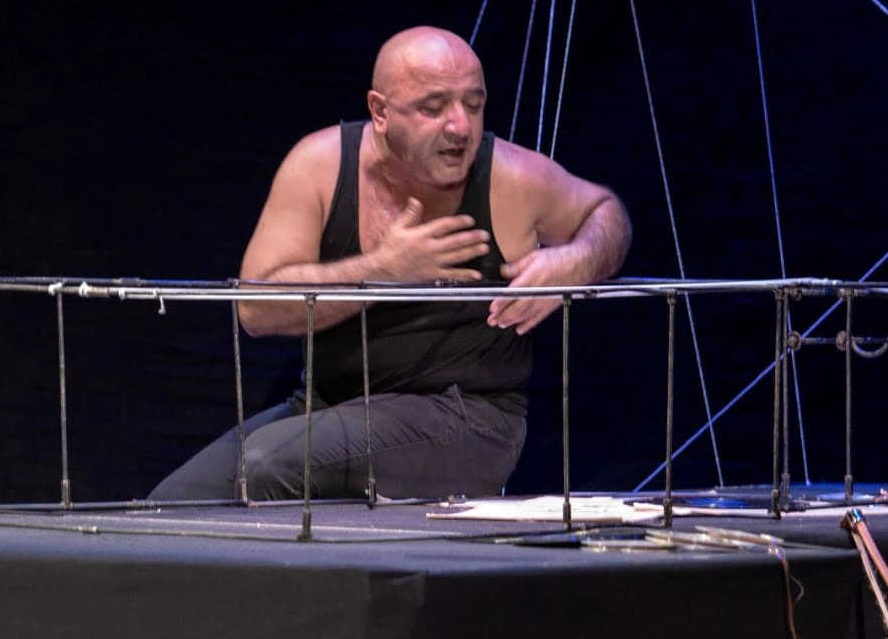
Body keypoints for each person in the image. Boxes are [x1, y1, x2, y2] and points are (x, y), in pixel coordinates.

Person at [149, 26, 632, 502]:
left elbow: (607, 214)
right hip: (328, 405)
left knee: (268, 465)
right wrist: (383, 270)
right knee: (168, 507)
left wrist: (576, 261)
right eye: (434, 108)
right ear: (380, 111)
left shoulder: (512, 177)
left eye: (473, 104)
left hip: (469, 418)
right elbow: (255, 310)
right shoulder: (319, 167)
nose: (460, 127)